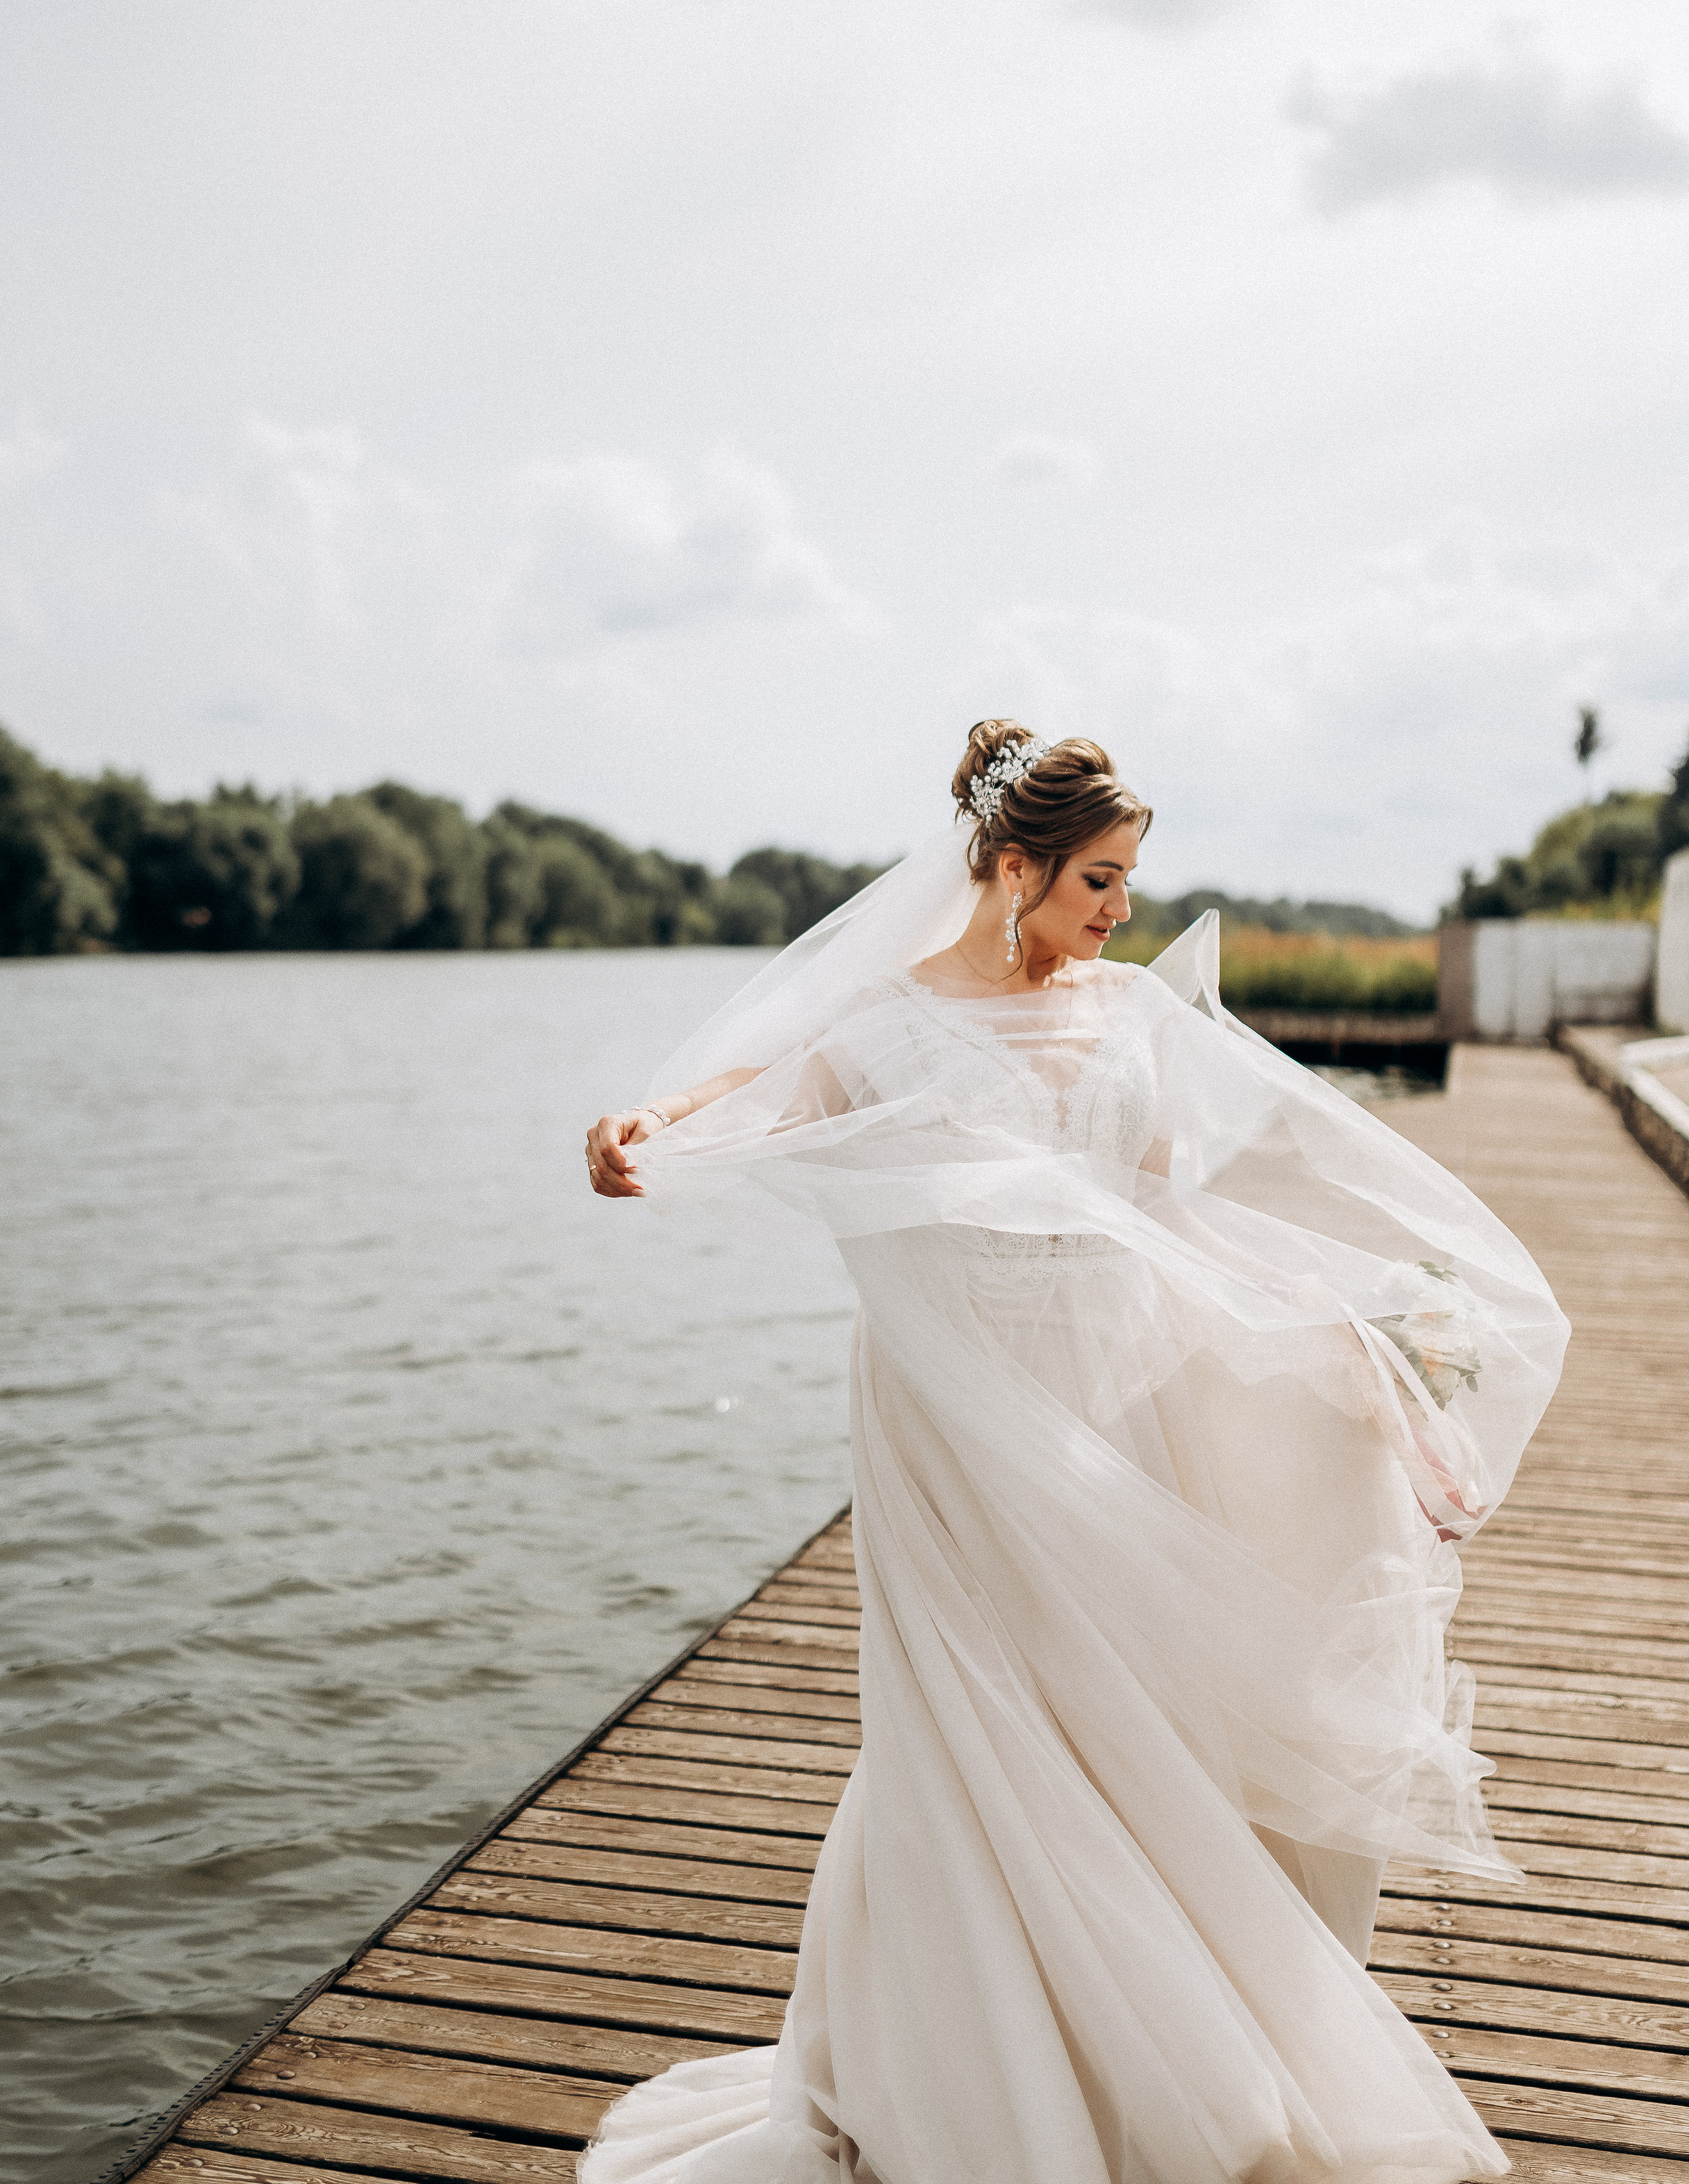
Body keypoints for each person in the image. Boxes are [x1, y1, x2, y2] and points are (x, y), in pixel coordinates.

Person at [579, 722, 1567, 2184]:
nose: (1119, 910)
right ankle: (960, 2077)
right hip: (950, 1419)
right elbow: (760, 1093)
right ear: (1011, 866)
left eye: (1127, 880)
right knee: (967, 1726)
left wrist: (1328, 1340)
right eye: (1098, 879)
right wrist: (649, 1122)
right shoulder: (884, 1023)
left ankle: (1127, 2057)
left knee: (1123, 1725)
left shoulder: (1129, 1014)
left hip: (1115, 1406)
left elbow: (1165, 1219)